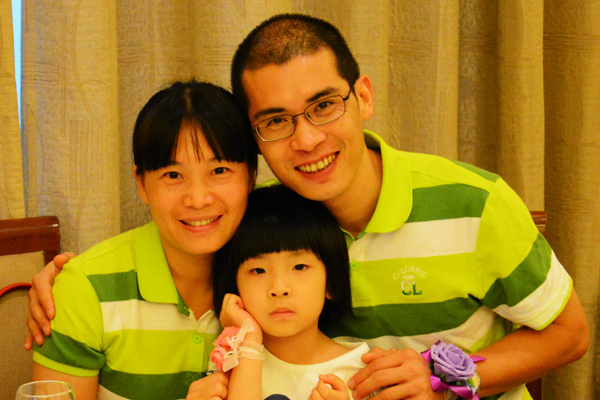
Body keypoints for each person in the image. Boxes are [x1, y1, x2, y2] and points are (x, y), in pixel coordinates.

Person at [27, 13, 589, 400]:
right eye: (276, 121)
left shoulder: (473, 203)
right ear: (257, 143)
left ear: (363, 96)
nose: (307, 139)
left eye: (324, 105)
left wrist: (444, 378)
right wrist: (68, 282)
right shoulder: (263, 222)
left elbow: (570, 334)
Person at [30, 80, 258, 400]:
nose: (198, 199)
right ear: (141, 184)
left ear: (251, 175)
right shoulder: (86, 291)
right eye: (173, 175)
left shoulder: (283, 271)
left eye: (219, 170)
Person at [212, 184, 371, 400]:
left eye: (299, 267)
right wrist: (249, 339)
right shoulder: (228, 367)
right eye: (258, 270)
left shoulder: (362, 373)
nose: (279, 289)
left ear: (331, 282)